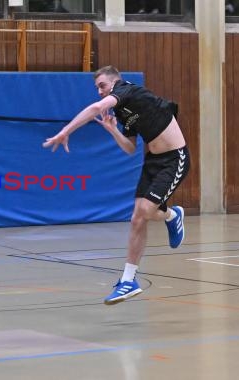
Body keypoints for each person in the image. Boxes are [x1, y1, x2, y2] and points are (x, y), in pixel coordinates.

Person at [42, 65, 190, 305]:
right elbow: (130, 148)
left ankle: (172, 215)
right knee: (137, 218)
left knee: (145, 211)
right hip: (153, 161)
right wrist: (112, 130)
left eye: (102, 86)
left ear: (115, 82)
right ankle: (129, 280)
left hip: (174, 158)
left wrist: (65, 131)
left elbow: (96, 108)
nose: (99, 92)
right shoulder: (123, 112)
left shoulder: (127, 91)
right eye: (97, 88)